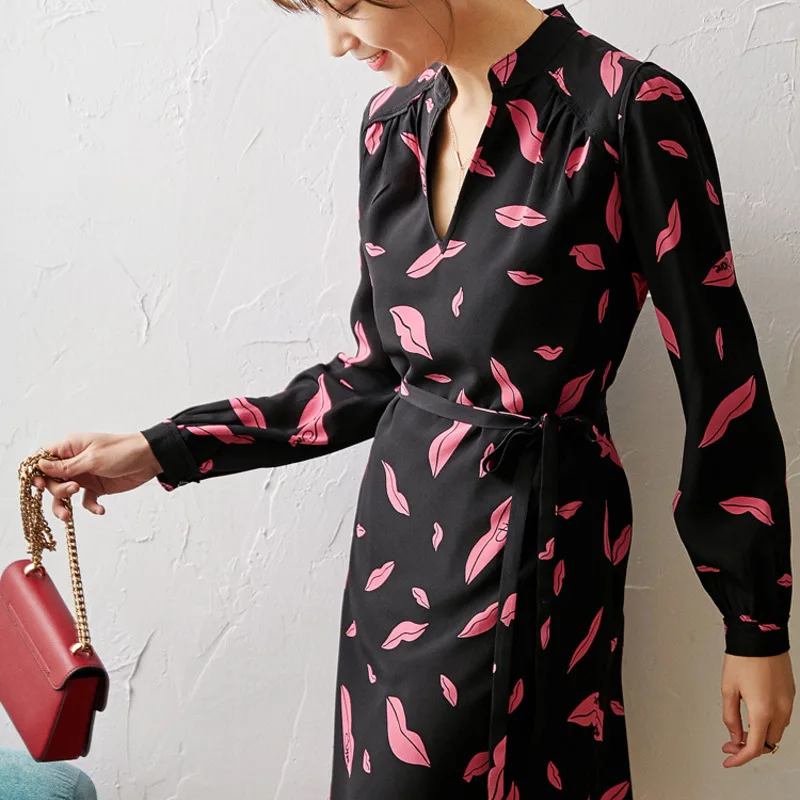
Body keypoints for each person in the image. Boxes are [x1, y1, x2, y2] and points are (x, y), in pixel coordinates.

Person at [31, 1, 794, 797]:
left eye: (346, 5)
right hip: (396, 556)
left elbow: (721, 377)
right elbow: (372, 373)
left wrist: (756, 624)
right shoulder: (391, 125)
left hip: (538, 536)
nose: (334, 43)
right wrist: (163, 448)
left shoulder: (626, 108)